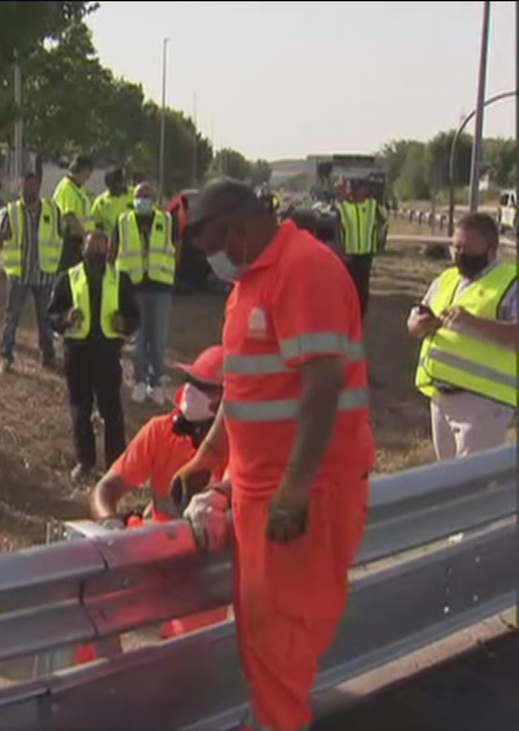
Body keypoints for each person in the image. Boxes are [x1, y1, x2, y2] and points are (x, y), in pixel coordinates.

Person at [176, 178, 375, 731]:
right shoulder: (250, 287)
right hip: (264, 494)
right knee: (263, 640)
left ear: (238, 228)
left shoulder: (303, 270)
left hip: (305, 496)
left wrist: (293, 488)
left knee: (280, 641)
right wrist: (208, 459)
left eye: (208, 241)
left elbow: (321, 385)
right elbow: (243, 394)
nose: (207, 257)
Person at [75, 345, 231, 660]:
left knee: (188, 651)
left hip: (202, 565)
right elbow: (105, 489)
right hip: (152, 553)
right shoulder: (161, 432)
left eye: (204, 386)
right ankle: (89, 686)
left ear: (228, 400)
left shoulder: (239, 450)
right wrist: (110, 525)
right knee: (88, 607)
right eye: (191, 382)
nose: (191, 391)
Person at [408, 212, 517, 460]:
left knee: (470, 482)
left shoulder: (511, 282)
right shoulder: (446, 279)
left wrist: (472, 322)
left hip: (484, 402)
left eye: (467, 248)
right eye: (455, 246)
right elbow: (413, 323)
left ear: (491, 248)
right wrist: (420, 324)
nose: (459, 253)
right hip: (441, 396)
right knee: (447, 479)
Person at [47, 231, 139, 480]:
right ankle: (85, 462)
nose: (96, 254)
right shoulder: (67, 279)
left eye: (101, 249)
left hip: (107, 354)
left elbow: (135, 317)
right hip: (77, 354)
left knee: (111, 410)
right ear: (83, 251)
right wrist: (66, 318)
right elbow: (52, 316)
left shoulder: (120, 280)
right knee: (80, 409)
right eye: (92, 249)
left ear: (107, 252)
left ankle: (116, 464)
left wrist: (124, 323)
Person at [116, 181, 178, 404]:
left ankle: (157, 382)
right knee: (138, 338)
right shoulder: (123, 222)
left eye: (147, 195)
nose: (143, 199)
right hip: (134, 287)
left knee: (158, 339)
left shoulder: (167, 221)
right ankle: (140, 381)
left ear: (155, 199)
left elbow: (175, 250)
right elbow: (115, 252)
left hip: (160, 287)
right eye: (139, 195)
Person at [0, 171, 63, 373]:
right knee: (11, 318)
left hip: (44, 274)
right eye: (25, 186)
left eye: (33, 185)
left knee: (45, 318)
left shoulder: (52, 210)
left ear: (39, 186)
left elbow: (60, 236)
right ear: (20, 187)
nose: (29, 189)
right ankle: (6, 356)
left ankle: (48, 356)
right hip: (19, 274)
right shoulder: (12, 211)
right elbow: (1, 239)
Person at [338, 177, 383, 317]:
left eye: (358, 189)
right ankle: (348, 315)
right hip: (349, 256)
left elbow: (383, 221)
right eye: (352, 189)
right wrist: (342, 252)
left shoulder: (372, 206)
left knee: (363, 290)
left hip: (366, 254)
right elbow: (337, 229)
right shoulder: (343, 207)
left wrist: (379, 242)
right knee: (349, 288)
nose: (355, 193)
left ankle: (359, 317)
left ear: (364, 190)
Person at [53, 153, 96, 274]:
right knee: (68, 276)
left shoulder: (78, 188)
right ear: (82, 169)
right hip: (70, 241)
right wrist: (85, 236)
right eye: (88, 172)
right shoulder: (67, 188)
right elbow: (69, 216)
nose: (88, 177)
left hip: (79, 240)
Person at [91, 166, 134, 237]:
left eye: (119, 183)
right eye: (112, 185)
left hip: (133, 240)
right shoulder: (101, 201)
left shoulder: (135, 194)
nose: (116, 187)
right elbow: (97, 224)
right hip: (111, 242)